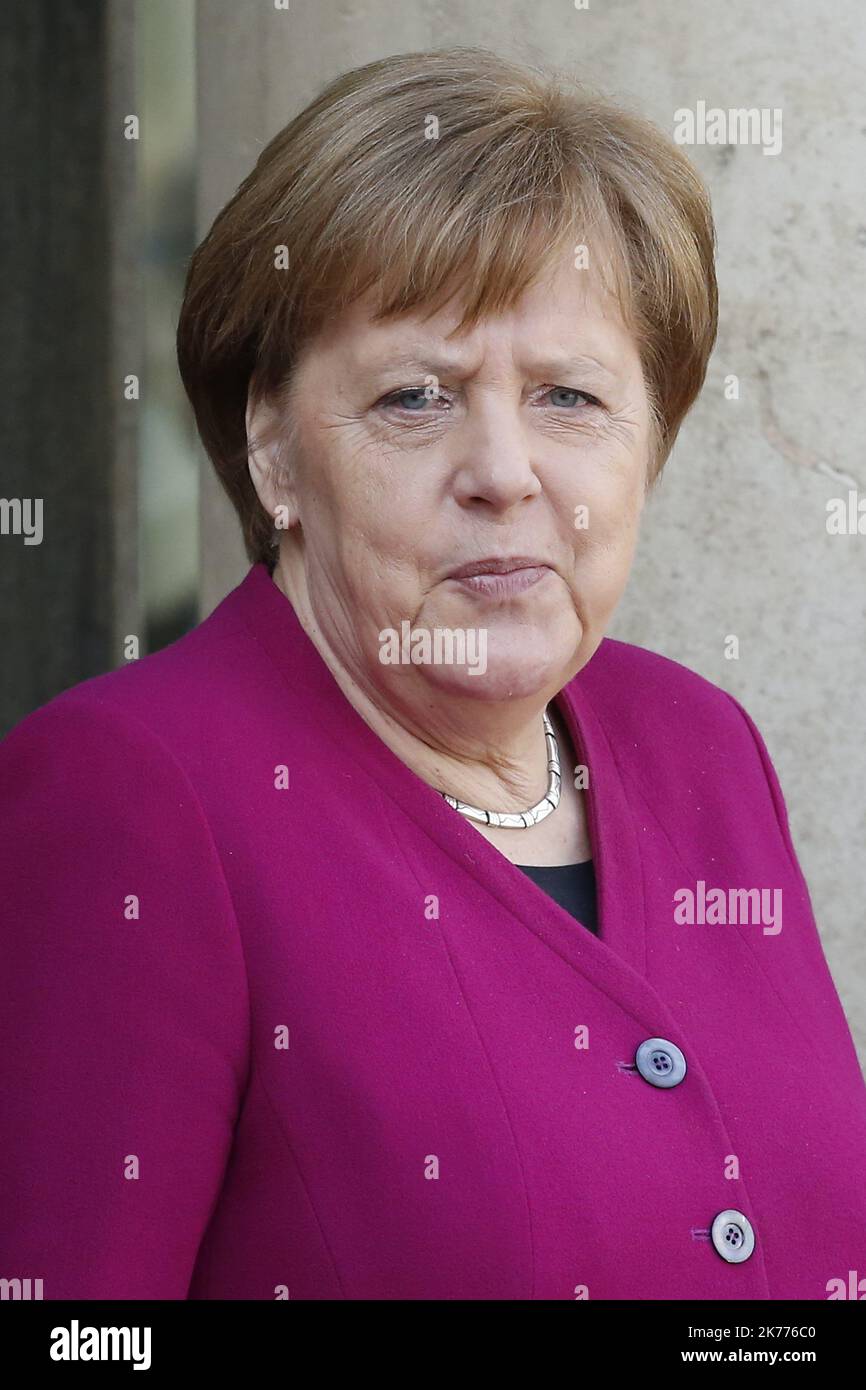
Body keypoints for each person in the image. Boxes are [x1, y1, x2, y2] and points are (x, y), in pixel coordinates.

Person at [2, 46, 865, 1300]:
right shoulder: (134, 794)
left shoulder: (699, 745)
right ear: (274, 451)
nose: (504, 470)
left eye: (570, 398)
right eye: (416, 396)